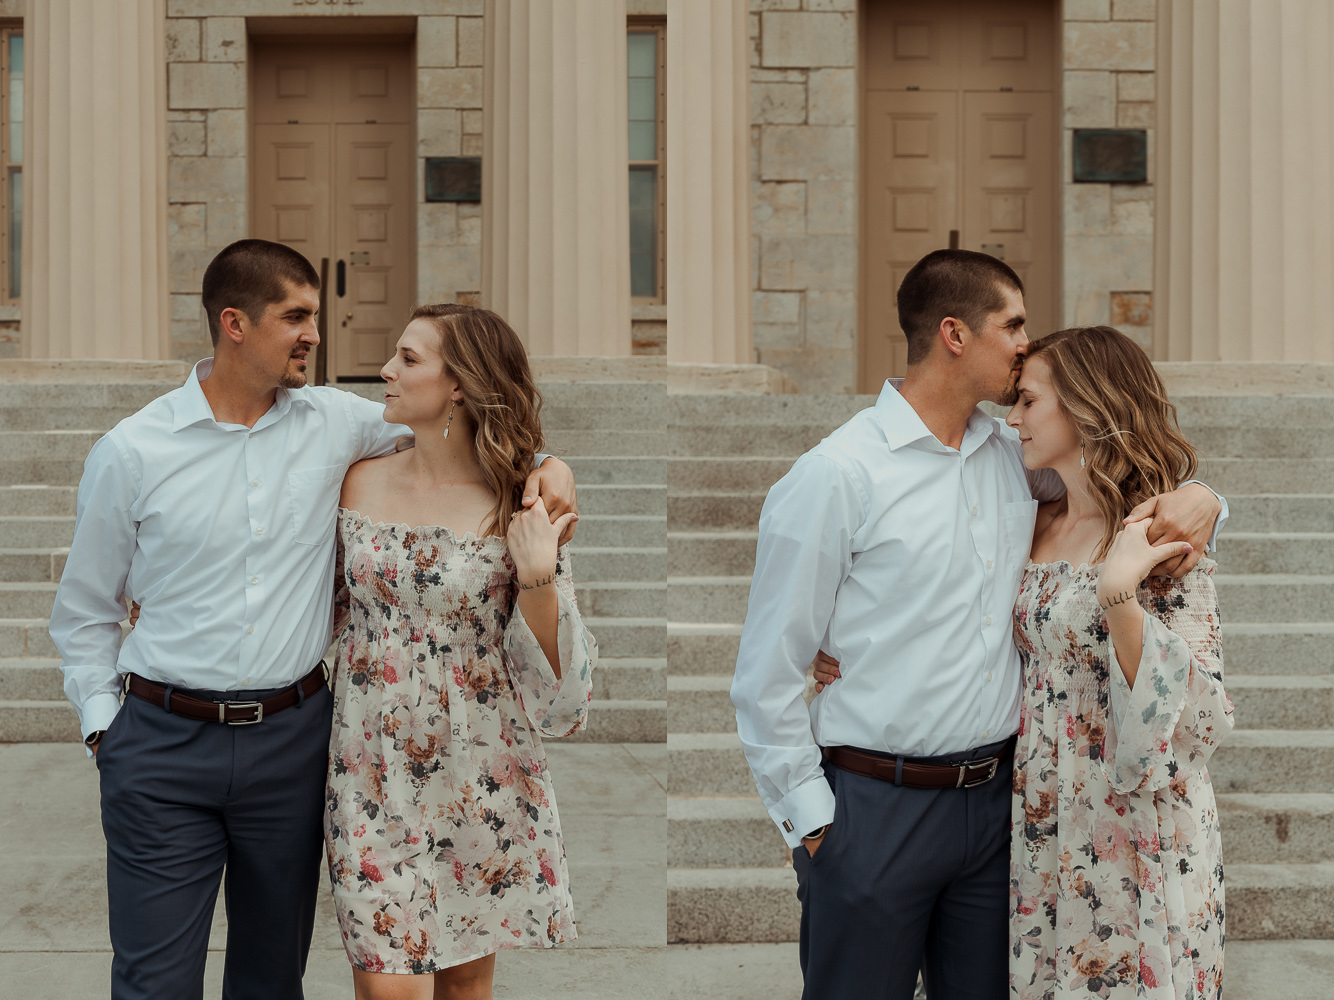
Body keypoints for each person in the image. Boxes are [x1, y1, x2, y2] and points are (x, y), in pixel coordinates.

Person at [49, 239, 576, 1000]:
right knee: (153, 981)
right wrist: (107, 729)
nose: (315, 335)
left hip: (291, 744)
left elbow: (462, 431)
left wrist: (548, 468)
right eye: (296, 316)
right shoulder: (132, 452)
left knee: (270, 980)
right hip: (162, 744)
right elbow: (88, 610)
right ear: (235, 323)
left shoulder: (338, 424)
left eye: (315, 316)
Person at [729, 249, 1226, 1000]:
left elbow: (1118, 477)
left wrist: (1207, 499)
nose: (1028, 342)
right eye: (1014, 323)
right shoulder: (838, 475)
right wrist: (815, 827)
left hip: (1004, 812)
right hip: (873, 809)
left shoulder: (1013, 458)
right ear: (955, 334)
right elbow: (768, 666)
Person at [324, 304, 596, 999]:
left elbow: (561, 690)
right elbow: (315, 608)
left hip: (482, 772)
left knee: (466, 987)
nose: (385, 370)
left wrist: (536, 574)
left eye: (408, 359)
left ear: (459, 386)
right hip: (371, 772)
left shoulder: (520, 501)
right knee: (390, 989)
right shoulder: (357, 480)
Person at [1004, 327, 1231, 998]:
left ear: (1084, 406)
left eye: (1027, 402)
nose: (1012, 418)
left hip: (1134, 817)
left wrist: (1120, 596)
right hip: (1042, 808)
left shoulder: (1158, 534)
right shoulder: (1033, 516)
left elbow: (1197, 714)